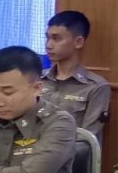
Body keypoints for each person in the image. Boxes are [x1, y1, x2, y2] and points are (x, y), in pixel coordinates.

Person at [41, 11, 109, 142]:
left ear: (78, 42)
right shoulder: (38, 79)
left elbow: (87, 139)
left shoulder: (96, 87)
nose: (48, 45)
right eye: (47, 38)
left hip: (69, 152)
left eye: (56, 39)